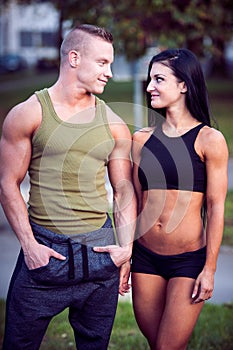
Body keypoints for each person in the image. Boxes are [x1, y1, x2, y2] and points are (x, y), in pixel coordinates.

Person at [0, 24, 136, 350]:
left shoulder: (115, 125)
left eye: (110, 64)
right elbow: (7, 183)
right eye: (103, 63)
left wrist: (126, 248)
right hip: (46, 255)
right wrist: (30, 247)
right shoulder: (28, 114)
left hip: (100, 256)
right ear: (74, 58)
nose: (110, 73)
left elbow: (123, 189)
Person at [131, 48, 228, 349]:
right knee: (160, 343)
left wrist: (209, 268)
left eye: (159, 79)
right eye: (149, 80)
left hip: (189, 262)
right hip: (145, 259)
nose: (150, 87)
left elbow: (215, 207)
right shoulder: (141, 140)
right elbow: (133, 203)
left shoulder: (209, 140)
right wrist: (126, 256)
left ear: (184, 84)